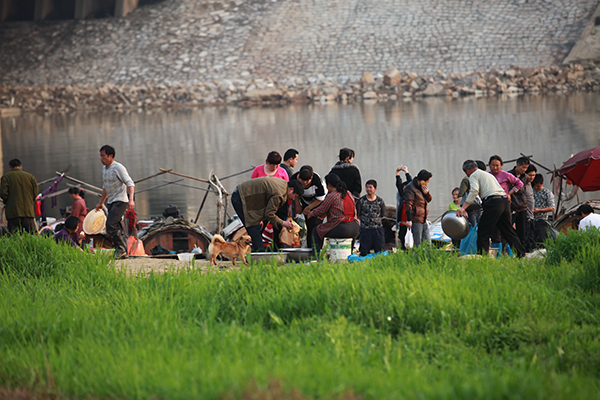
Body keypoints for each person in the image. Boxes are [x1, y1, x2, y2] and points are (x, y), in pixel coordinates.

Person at [456, 160, 525, 258]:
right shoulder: (488, 175)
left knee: (483, 232)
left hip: (493, 202)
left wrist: (463, 208)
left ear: (467, 170)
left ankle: (482, 257)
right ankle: (521, 254)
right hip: (504, 201)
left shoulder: (474, 175)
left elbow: (474, 191)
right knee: (508, 230)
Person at [231, 177, 304, 252]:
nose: (294, 198)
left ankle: (255, 255)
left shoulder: (283, 184)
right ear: (291, 190)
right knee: (254, 229)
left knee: (256, 229)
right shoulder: (280, 194)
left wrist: (261, 219)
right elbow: (269, 214)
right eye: (295, 196)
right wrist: (284, 223)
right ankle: (259, 257)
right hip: (241, 198)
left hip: (246, 197)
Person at [95, 145, 135, 260]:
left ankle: (121, 249)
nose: (101, 159)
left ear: (110, 156)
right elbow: (105, 188)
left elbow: (130, 183)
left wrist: (131, 200)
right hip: (111, 201)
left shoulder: (118, 167)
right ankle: (123, 251)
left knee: (110, 225)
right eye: (100, 156)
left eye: (103, 156)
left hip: (120, 201)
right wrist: (101, 202)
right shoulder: (104, 169)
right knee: (116, 225)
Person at [307, 173, 359, 254]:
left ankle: (315, 256)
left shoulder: (332, 195)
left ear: (329, 185)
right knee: (350, 236)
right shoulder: (348, 193)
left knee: (316, 231)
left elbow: (321, 210)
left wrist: (311, 213)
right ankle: (350, 253)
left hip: (341, 227)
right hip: (355, 227)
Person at [290, 165, 327, 248]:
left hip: (318, 203)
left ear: (311, 177)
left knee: (315, 224)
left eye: (307, 180)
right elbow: (294, 193)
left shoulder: (317, 181)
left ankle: (317, 248)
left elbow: (320, 198)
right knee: (308, 225)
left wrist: (309, 208)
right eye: (302, 180)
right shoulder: (294, 178)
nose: (305, 183)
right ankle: (310, 248)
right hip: (304, 201)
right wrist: (297, 204)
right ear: (298, 176)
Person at [0, 159, 39, 234]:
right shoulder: (30, 177)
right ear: (21, 167)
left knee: (15, 235)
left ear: (10, 168)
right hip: (28, 212)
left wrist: (9, 202)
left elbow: (3, 194)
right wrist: (29, 201)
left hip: (13, 213)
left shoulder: (6, 177)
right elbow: (35, 193)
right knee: (30, 235)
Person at [403, 169, 433, 247]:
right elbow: (409, 204)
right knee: (417, 243)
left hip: (423, 219)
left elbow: (429, 200)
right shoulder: (410, 188)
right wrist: (409, 220)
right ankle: (417, 258)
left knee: (428, 243)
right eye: (427, 181)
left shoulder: (422, 187)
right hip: (415, 219)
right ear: (423, 180)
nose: (427, 183)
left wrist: (427, 193)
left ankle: (428, 258)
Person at [356, 179, 386, 256]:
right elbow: (358, 214)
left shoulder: (380, 201)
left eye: (370, 187)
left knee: (380, 251)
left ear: (375, 189)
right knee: (364, 251)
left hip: (377, 228)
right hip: (365, 229)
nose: (368, 189)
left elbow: (382, 214)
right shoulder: (361, 201)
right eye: (367, 187)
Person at [508, 157, 531, 249]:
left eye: (526, 168)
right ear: (517, 165)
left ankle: (521, 251)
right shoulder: (508, 175)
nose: (524, 170)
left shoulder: (525, 177)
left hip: (522, 206)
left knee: (522, 232)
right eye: (523, 167)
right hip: (511, 206)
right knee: (509, 230)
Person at [532, 174, 555, 244]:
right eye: (534, 185)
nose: (536, 187)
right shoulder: (530, 191)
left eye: (538, 186)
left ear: (542, 183)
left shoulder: (547, 193)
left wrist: (539, 210)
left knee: (542, 241)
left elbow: (552, 208)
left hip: (542, 220)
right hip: (531, 220)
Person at [395, 165, 412, 250]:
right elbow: (398, 184)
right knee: (402, 238)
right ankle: (403, 252)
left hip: (411, 223)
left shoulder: (412, 198)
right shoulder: (402, 198)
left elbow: (410, 181)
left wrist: (406, 172)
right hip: (402, 223)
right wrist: (397, 173)